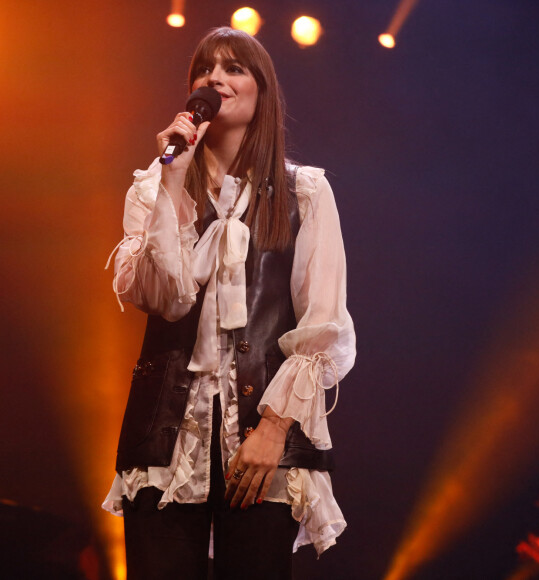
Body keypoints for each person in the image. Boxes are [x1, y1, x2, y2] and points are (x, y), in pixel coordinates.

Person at [102, 26, 356, 580]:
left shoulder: (305, 193)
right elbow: (162, 299)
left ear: (261, 90)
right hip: (166, 436)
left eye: (233, 68)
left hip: (262, 439)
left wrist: (274, 430)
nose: (214, 78)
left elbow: (323, 324)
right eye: (204, 69)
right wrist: (172, 180)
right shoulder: (154, 187)